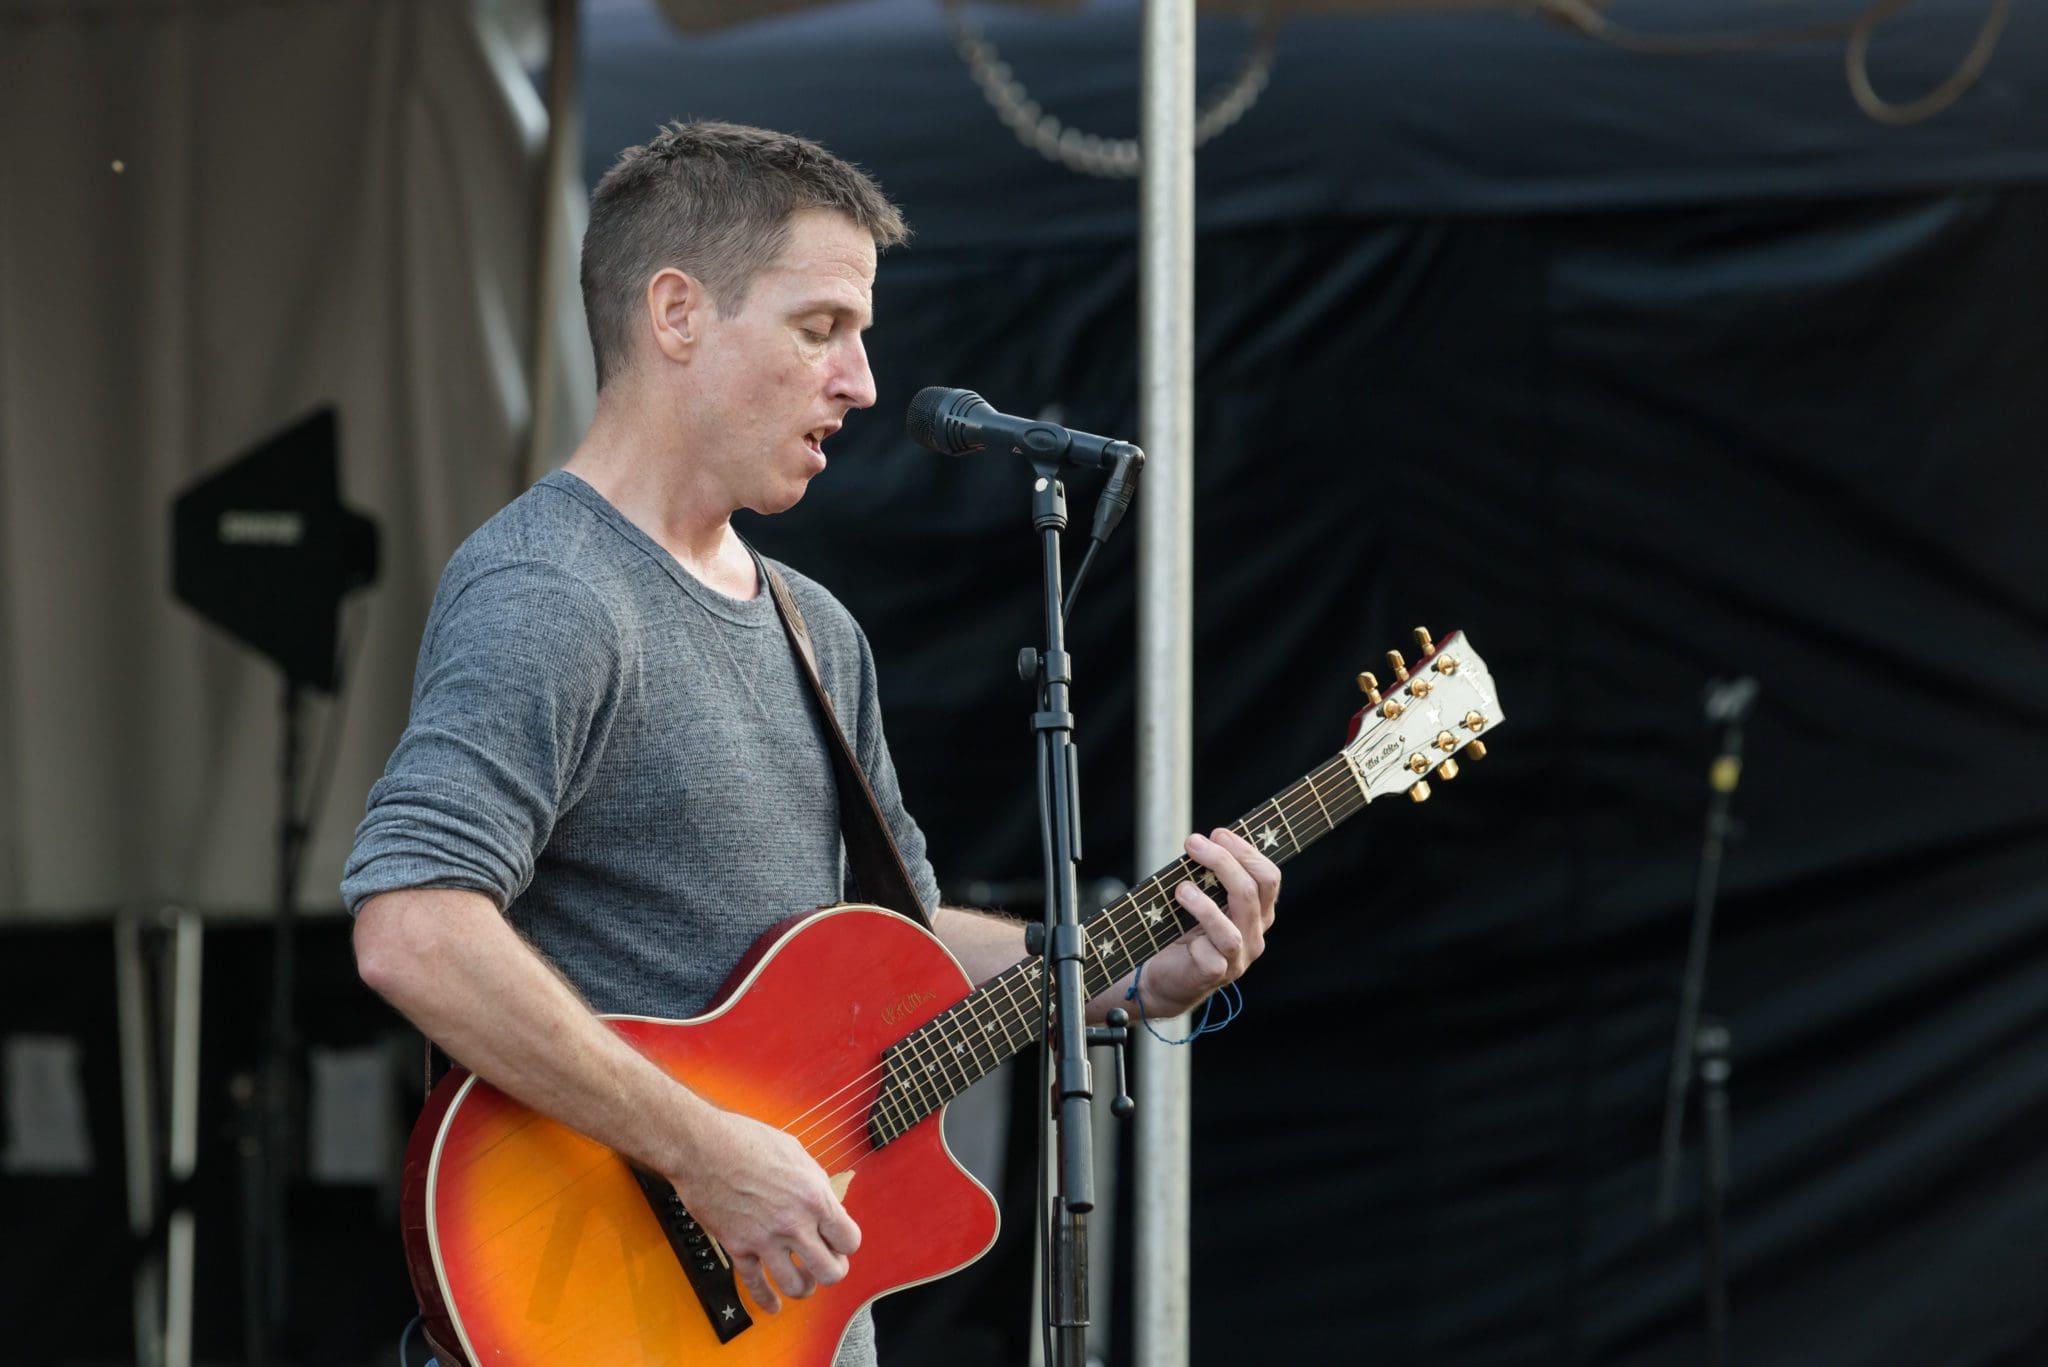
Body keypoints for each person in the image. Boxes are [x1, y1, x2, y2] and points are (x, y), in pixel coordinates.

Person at [343, 121, 1277, 1365]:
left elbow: (901, 937)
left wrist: (1118, 967)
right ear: (676, 314)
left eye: (860, 334)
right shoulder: (551, 590)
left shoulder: (814, 627)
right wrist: (701, 1148)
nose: (862, 382)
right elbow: (412, 925)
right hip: (596, 1308)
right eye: (819, 327)